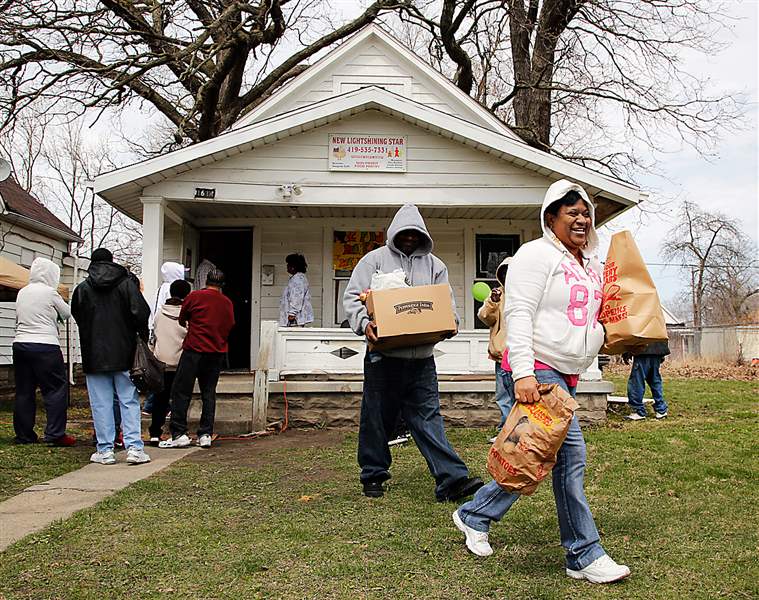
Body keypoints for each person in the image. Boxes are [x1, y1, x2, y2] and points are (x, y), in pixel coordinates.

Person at [453, 180, 630, 584]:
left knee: (538, 457)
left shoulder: (589, 265)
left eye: (586, 212)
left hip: (568, 373)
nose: (582, 219)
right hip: (540, 369)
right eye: (573, 213)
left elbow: (589, 317)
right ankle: (584, 553)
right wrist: (524, 373)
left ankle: (474, 514)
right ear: (551, 218)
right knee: (571, 458)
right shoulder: (534, 255)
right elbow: (518, 313)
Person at [344, 204, 483, 501]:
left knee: (428, 419)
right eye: (404, 234)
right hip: (383, 358)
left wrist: (451, 323)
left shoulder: (435, 266)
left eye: (414, 235)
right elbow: (353, 298)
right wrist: (364, 323)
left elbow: (445, 303)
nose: (409, 239)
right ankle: (373, 475)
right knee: (376, 417)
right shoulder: (374, 261)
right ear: (394, 234)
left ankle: (452, 481)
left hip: (421, 359)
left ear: (422, 236)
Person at [71, 248, 151, 465]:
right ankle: (134, 447)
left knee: (101, 403)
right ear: (111, 262)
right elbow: (142, 312)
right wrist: (140, 336)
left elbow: (77, 315)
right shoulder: (125, 285)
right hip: (124, 352)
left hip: (93, 354)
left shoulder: (82, 289)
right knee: (128, 401)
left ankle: (105, 449)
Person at [160, 268, 234, 449]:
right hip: (216, 352)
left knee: (181, 391)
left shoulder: (194, 297)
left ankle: (179, 432)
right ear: (222, 284)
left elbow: (182, 318)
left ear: (205, 281)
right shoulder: (226, 302)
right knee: (208, 393)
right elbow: (230, 324)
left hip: (194, 350)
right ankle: (206, 433)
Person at [12, 257, 75, 446]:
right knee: (55, 389)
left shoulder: (22, 292)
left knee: (24, 391)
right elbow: (66, 313)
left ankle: (24, 435)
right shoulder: (50, 292)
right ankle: (55, 434)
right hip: (45, 345)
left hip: (21, 344)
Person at [148, 279, 192, 445]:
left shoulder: (160, 313)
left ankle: (154, 432)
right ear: (187, 295)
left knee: (160, 398)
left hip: (161, 362)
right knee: (179, 398)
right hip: (181, 361)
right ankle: (178, 431)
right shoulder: (187, 314)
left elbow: (154, 334)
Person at [476, 257, 514, 442]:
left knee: (523, 395)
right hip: (502, 355)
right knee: (504, 396)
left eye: (512, 273)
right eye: (505, 274)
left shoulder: (529, 294)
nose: (509, 277)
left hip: (525, 354)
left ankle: (523, 432)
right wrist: (492, 301)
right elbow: (484, 317)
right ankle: (505, 431)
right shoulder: (498, 296)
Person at [143, 261, 185, 416]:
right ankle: (152, 405)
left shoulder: (160, 288)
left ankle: (152, 404)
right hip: (166, 333)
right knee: (164, 374)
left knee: (158, 370)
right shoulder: (170, 290)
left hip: (157, 331)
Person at [624, 341, 670, 420]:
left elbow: (632, 331)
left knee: (637, 381)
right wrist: (662, 352)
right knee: (655, 380)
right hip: (658, 349)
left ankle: (638, 411)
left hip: (643, 349)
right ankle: (661, 410)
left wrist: (627, 351)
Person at [279, 253, 314, 327]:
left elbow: (296, 297)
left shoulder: (298, 279)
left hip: (295, 319)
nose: (287, 266)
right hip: (295, 318)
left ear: (293, 266)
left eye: (288, 264)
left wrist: (292, 313)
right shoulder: (298, 278)